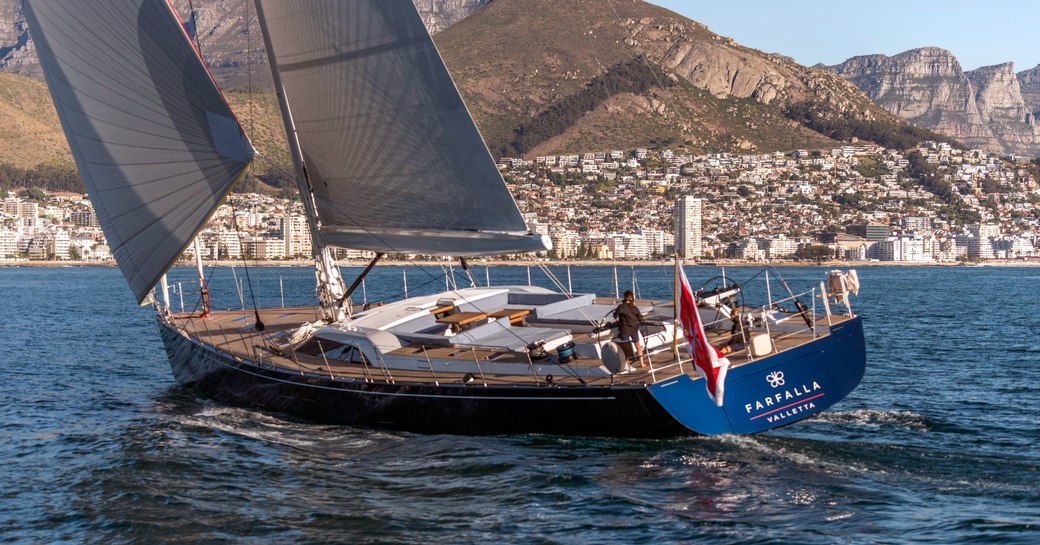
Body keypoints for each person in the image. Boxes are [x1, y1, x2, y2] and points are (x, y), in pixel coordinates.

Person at [613, 290, 648, 368]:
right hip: (634, 329)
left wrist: (616, 315)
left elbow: (615, 316)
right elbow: (640, 318)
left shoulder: (621, 307)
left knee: (625, 348)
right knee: (638, 346)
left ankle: (627, 365)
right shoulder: (634, 307)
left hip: (625, 329)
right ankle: (642, 363)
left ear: (625, 297)